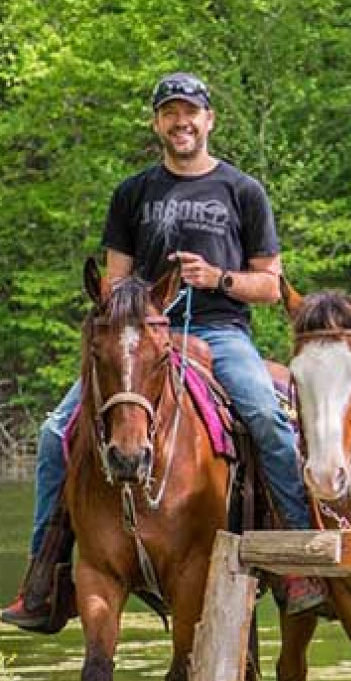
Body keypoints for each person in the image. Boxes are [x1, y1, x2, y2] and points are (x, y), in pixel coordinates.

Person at [2, 71, 323, 631]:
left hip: (220, 332)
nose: (182, 122)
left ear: (209, 120)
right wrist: (135, 310)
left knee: (267, 416)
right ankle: (45, 576)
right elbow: (115, 282)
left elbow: (271, 285)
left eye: (191, 112)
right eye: (171, 113)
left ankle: (297, 563)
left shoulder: (242, 191)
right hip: (143, 337)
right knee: (56, 431)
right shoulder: (133, 192)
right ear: (158, 123)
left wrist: (217, 277)